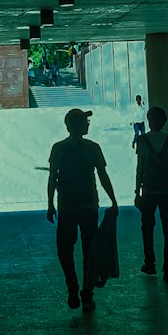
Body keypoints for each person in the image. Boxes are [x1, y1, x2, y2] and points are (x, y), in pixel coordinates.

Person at [47, 108, 118, 311]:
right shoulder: (92, 147)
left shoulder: (58, 148)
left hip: (67, 206)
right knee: (90, 250)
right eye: (85, 122)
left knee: (64, 249)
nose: (88, 125)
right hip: (88, 206)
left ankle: (72, 283)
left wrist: (50, 204)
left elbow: (52, 177)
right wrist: (113, 200)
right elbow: (103, 176)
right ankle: (87, 292)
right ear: (77, 125)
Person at [134, 106, 168, 282]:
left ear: (149, 120)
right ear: (164, 121)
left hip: (149, 191)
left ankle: (150, 263)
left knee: (147, 227)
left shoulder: (142, 140)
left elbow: (140, 167)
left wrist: (137, 190)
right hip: (167, 190)